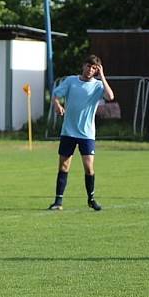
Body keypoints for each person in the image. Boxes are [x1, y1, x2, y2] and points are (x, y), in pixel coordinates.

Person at [47, 55, 114, 211]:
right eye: (88, 66)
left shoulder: (98, 85)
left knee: (89, 167)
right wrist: (57, 104)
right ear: (83, 66)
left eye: (94, 68)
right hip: (68, 131)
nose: (90, 70)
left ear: (97, 70)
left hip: (87, 134)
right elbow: (56, 94)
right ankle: (58, 201)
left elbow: (110, 96)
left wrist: (102, 76)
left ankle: (91, 199)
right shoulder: (71, 81)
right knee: (64, 165)